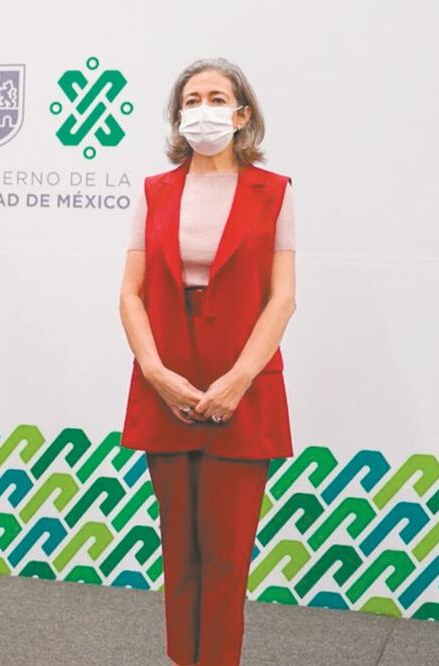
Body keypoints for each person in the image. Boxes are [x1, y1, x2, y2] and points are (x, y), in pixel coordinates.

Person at [119, 58, 296, 666]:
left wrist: (238, 381)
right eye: (191, 99)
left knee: (226, 557)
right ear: (178, 115)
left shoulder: (274, 191)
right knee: (180, 553)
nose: (203, 109)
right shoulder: (155, 190)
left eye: (217, 98)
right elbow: (129, 293)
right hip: (166, 385)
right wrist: (153, 370)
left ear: (242, 113)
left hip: (243, 392)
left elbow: (283, 298)